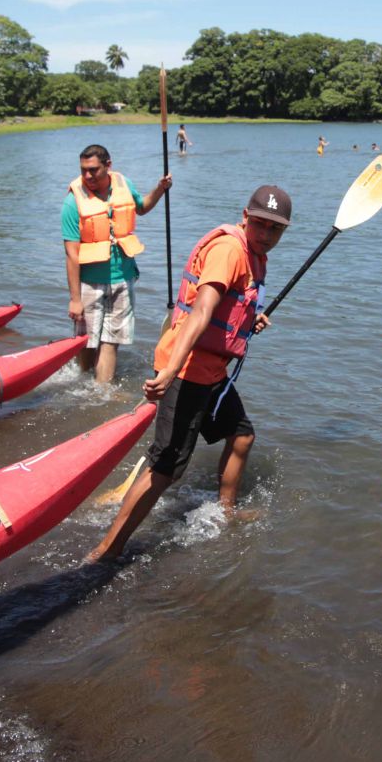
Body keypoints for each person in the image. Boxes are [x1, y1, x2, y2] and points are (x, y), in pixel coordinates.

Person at [87, 185, 291, 563]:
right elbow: (200, 312)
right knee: (165, 469)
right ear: (245, 217)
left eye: (274, 230)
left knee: (241, 435)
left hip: (211, 370)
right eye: (259, 225)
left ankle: (225, 513)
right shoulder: (230, 251)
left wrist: (248, 318)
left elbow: (228, 307)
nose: (265, 235)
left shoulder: (253, 253)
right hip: (187, 370)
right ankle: (104, 552)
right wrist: (170, 370)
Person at [61, 144, 172, 384]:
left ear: (108, 166)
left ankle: (101, 394)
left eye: (93, 170)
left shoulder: (123, 184)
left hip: (123, 277)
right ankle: (82, 381)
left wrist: (161, 189)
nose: (87, 176)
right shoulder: (73, 202)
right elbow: (71, 254)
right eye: (83, 170)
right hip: (90, 283)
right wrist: (75, 299)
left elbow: (141, 207)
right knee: (87, 342)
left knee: (111, 340)